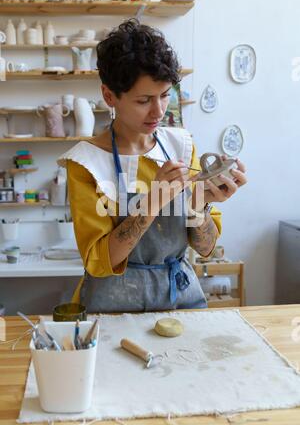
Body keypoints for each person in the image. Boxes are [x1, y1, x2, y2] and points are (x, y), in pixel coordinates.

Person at [58, 19, 247, 313]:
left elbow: (206, 247)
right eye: (144, 100)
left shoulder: (181, 146)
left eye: (164, 95)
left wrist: (199, 204)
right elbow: (98, 262)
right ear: (109, 96)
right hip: (112, 309)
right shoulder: (87, 162)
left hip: (179, 302)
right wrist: (152, 203)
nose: (158, 111)